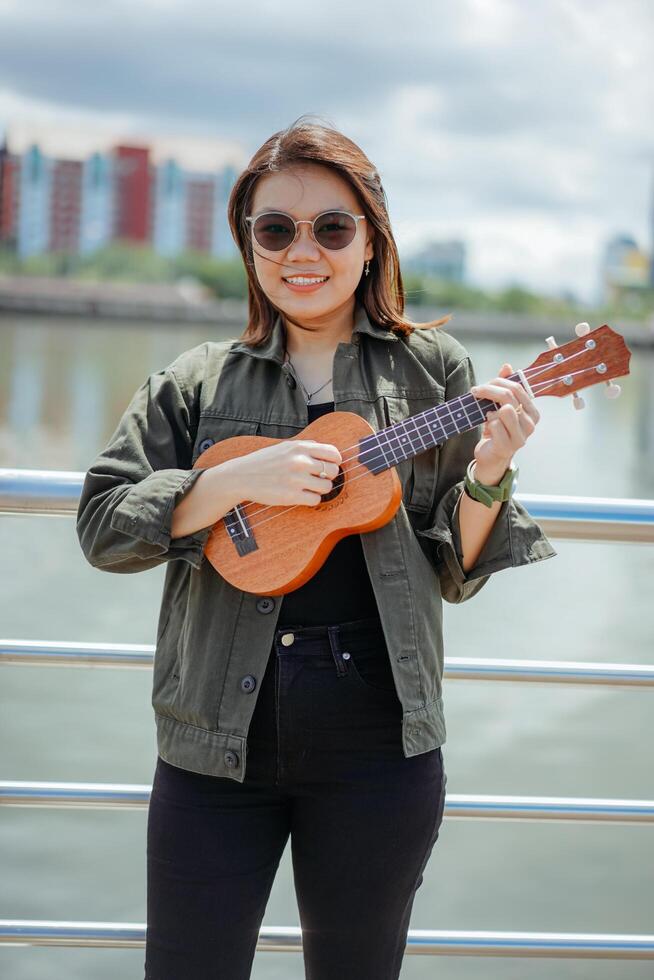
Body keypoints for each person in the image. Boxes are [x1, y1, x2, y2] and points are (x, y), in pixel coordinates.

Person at [76, 114, 557, 980]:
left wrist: (490, 471)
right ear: (250, 245)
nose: (305, 249)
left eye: (333, 227)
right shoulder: (195, 381)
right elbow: (103, 527)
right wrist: (229, 481)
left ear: (371, 242)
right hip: (213, 737)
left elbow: (453, 568)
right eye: (275, 228)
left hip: (379, 739)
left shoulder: (432, 370)